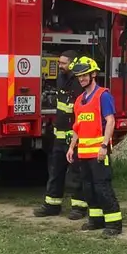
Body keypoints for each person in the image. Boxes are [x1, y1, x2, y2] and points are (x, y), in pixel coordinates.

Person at [66, 57, 122, 236]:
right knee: (88, 189)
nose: (81, 79)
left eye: (84, 75)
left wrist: (104, 146)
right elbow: (77, 127)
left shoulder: (103, 96)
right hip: (83, 154)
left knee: (102, 188)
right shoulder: (79, 100)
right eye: (79, 76)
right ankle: (96, 220)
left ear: (93, 74)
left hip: (98, 153)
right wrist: (71, 147)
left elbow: (110, 121)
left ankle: (114, 224)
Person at [34, 49, 89, 219]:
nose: (60, 66)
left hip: (75, 136)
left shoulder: (80, 83)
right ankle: (51, 205)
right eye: (59, 63)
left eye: (63, 63)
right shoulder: (61, 79)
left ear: (72, 63)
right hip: (60, 135)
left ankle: (78, 207)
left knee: (76, 173)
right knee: (55, 171)